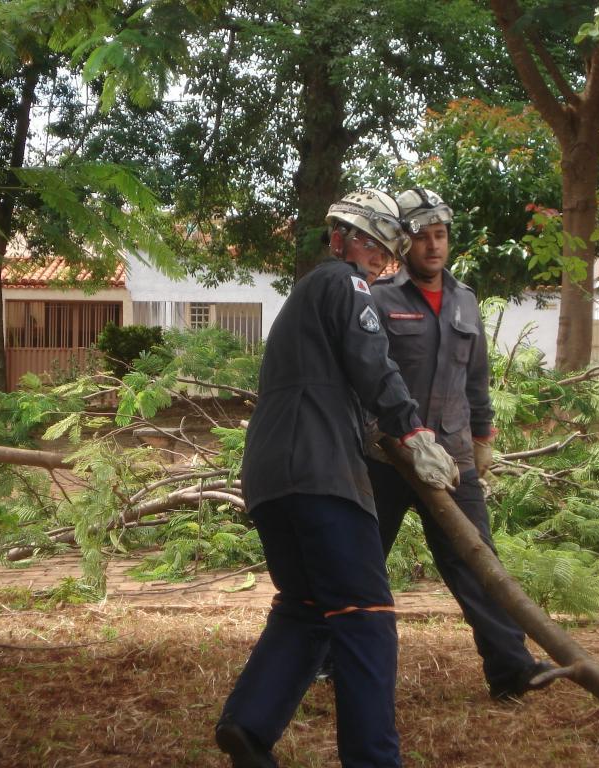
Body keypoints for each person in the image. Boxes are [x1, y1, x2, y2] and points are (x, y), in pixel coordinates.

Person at [215, 189, 459, 768]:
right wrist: (413, 430)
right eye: (372, 245)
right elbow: (372, 358)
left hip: (271, 479)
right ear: (342, 240)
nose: (377, 260)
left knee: (304, 605)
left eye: (384, 251)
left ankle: (248, 726)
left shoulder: (301, 301)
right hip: (321, 474)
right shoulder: (343, 284)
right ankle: (374, 760)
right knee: (365, 613)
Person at [365, 187, 553, 701]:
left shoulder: (465, 300)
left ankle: (513, 670)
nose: (432, 246)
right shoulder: (377, 299)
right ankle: (328, 661)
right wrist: (374, 438)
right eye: (422, 237)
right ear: (404, 244)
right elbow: (365, 377)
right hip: (386, 457)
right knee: (358, 562)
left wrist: (482, 438)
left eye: (440, 236)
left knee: (477, 563)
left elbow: (477, 381)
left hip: (452, 460)